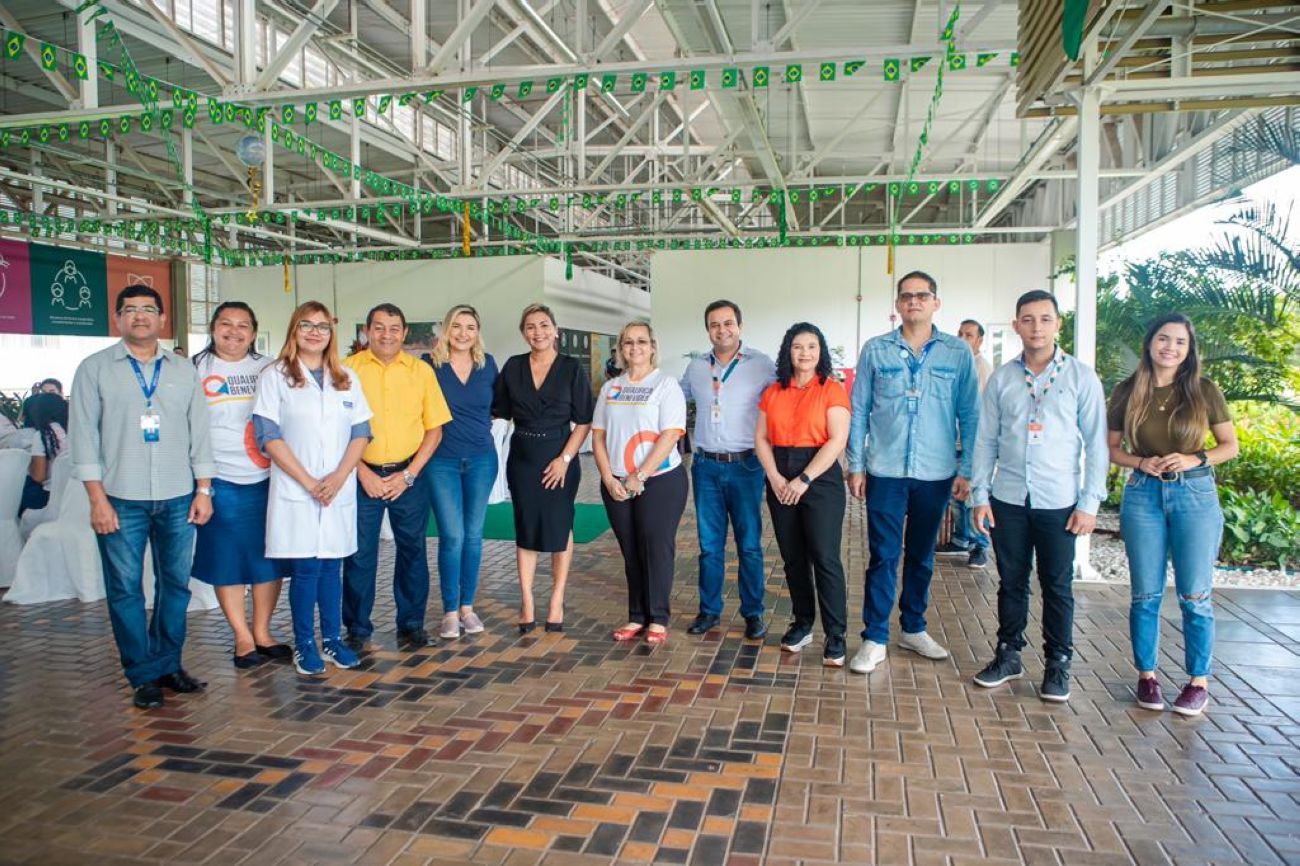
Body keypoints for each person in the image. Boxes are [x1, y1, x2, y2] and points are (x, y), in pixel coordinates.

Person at [69, 284, 215, 710]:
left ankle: (168, 664)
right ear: (117, 318)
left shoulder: (184, 370)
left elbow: (200, 433)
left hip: (178, 495)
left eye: (148, 309)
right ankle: (143, 674)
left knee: (176, 586)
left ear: (162, 319)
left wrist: (204, 490)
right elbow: (83, 438)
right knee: (125, 590)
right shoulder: (94, 369)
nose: (139, 316)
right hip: (120, 497)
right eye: (130, 309)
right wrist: (97, 499)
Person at [969, 291, 1108, 702]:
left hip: (1059, 502)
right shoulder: (1002, 379)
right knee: (1011, 581)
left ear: (1058, 324)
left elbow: (1097, 444)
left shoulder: (1081, 377)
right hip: (1009, 498)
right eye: (1027, 319)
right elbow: (985, 441)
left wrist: (1089, 503)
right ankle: (1008, 654)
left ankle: (1057, 663)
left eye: (1045, 319)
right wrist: (980, 495)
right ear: (1016, 326)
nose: (1036, 327)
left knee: (1057, 585)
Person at [846, 271, 979, 675]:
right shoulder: (876, 350)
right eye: (906, 296)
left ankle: (913, 628)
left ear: (936, 303)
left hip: (935, 473)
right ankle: (875, 637)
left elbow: (970, 414)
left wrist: (967, 469)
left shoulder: (957, 353)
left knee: (921, 556)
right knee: (883, 555)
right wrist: (856, 465)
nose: (914, 301)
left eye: (922, 295)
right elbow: (859, 410)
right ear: (897, 304)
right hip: (885, 471)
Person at [1107, 313, 1237, 717]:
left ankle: (1198, 682)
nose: (1170, 348)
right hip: (1143, 495)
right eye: (1164, 339)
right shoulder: (1128, 391)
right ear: (1150, 343)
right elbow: (1111, 449)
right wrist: (1140, 462)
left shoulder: (1203, 391)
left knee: (1195, 596)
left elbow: (1229, 445)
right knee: (1145, 594)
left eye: (1180, 342)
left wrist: (1195, 457)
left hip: (1194, 494)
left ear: (1189, 350)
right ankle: (1147, 677)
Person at [253, 301, 373, 677]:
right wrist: (309, 482)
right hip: (297, 489)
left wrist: (338, 477)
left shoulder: (347, 377)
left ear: (331, 334)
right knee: (306, 568)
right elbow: (268, 435)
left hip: (337, 487)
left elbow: (361, 432)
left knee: (332, 567)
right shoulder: (275, 376)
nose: (315, 332)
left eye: (322, 327)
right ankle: (305, 643)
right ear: (294, 330)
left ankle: (333, 640)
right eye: (306, 325)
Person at [342, 304, 451, 651]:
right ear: (367, 331)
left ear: (404, 333)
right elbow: (334, 431)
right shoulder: (346, 371)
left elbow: (434, 429)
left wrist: (409, 474)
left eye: (393, 329)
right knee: (359, 555)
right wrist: (361, 472)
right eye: (378, 327)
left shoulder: (421, 372)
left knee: (412, 551)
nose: (386, 335)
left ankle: (412, 624)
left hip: (409, 477)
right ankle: (357, 629)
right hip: (362, 476)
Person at [191, 301, 289, 669]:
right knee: (227, 559)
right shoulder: (195, 369)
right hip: (218, 479)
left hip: (268, 478)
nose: (234, 332)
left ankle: (262, 632)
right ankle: (242, 636)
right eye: (226, 324)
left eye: (243, 325)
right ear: (213, 328)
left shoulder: (270, 368)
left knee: (269, 557)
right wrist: (202, 487)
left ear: (253, 332)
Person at [492, 303, 594, 634]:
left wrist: (564, 460)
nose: (538, 332)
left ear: (555, 330)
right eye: (531, 326)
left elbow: (584, 420)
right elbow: (498, 412)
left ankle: (556, 599)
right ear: (524, 333)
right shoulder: (513, 366)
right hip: (522, 459)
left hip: (560, 457)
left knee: (560, 527)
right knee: (526, 528)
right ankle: (527, 601)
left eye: (544, 325)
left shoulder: (571, 368)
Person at [754, 323, 851, 666]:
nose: (805, 353)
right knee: (793, 557)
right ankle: (803, 622)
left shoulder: (832, 390)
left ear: (820, 352)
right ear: (788, 351)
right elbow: (761, 438)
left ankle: (836, 634)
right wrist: (775, 477)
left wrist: (804, 479)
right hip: (780, 473)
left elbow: (837, 440)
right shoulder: (773, 392)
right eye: (798, 346)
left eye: (812, 346)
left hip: (820, 478)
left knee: (825, 556)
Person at [679, 300, 776, 639]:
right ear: (708, 330)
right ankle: (709, 611)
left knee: (749, 545)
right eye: (715, 324)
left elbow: (785, 397)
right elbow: (674, 398)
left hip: (746, 466)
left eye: (728, 323)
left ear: (740, 326)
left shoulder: (761, 365)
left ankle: (753, 613)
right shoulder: (696, 367)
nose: (722, 330)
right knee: (709, 546)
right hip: (705, 466)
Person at [593, 321, 688, 645]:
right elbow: (598, 436)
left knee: (656, 548)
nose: (635, 348)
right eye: (628, 342)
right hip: (617, 483)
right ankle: (636, 615)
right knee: (631, 550)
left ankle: (658, 618)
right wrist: (608, 478)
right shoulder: (611, 388)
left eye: (642, 342)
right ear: (621, 348)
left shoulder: (665, 384)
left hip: (660, 480)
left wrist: (640, 476)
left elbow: (670, 435)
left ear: (652, 347)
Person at [427, 305, 499, 640]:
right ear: (446, 329)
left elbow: (499, 406)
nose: (463, 333)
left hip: (482, 460)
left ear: (477, 332)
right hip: (441, 461)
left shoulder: (488, 364)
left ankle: (468, 608)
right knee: (452, 536)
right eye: (456, 326)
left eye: (470, 327)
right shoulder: (429, 365)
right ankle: (450, 612)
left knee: (472, 535)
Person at [936, 318, 995, 568]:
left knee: (972, 497)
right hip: (952, 444)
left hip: (974, 446)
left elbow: (980, 412)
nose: (962, 339)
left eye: (969, 335)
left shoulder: (983, 369)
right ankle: (961, 539)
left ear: (980, 340)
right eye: (960, 333)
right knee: (955, 496)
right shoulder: (956, 365)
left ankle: (981, 545)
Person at [17, 393, 68, 516]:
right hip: (77, 493)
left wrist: (29, 465)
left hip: (50, 496)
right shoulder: (75, 431)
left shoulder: (43, 435)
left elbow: (39, 477)